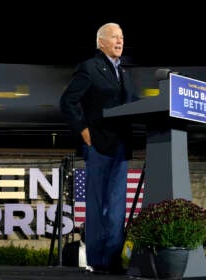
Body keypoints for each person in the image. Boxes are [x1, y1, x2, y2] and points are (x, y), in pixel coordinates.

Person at [59, 22, 139, 274]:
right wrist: (83, 130)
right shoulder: (89, 68)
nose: (120, 41)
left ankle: (113, 259)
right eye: (115, 37)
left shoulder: (124, 72)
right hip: (98, 147)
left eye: (122, 37)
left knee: (117, 207)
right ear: (101, 41)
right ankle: (97, 259)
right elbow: (68, 101)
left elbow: (131, 104)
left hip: (121, 147)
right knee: (97, 205)